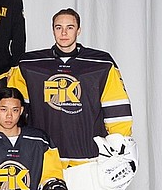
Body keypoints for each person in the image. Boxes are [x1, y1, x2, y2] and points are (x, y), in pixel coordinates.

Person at [8, 9, 133, 165]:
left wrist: (120, 148)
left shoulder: (101, 64)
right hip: (44, 158)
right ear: (53, 30)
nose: (64, 33)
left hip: (89, 158)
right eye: (58, 27)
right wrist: (12, 145)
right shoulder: (29, 65)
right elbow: (13, 109)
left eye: (70, 27)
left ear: (78, 30)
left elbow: (117, 109)